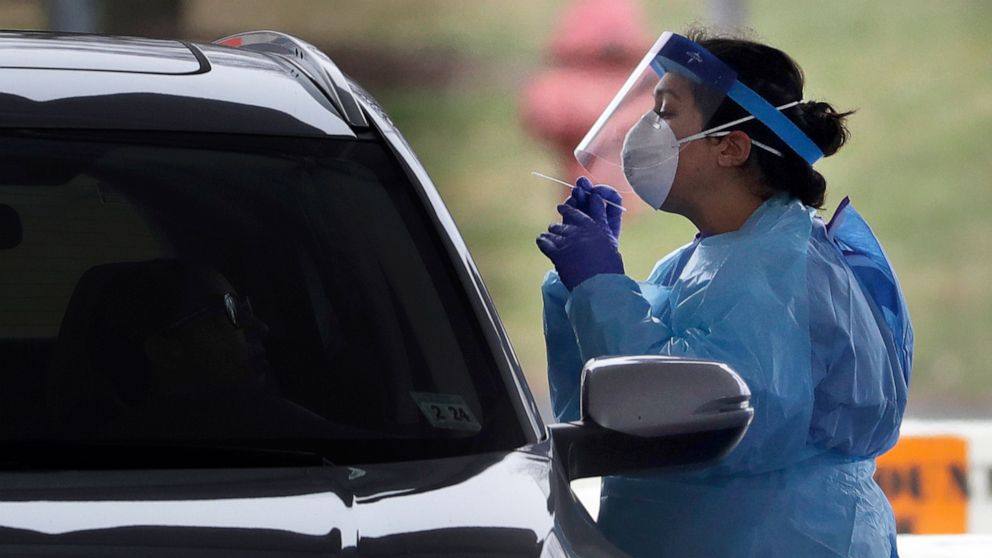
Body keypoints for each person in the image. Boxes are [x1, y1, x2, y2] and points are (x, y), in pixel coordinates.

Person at [536, 29, 912, 558]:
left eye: (666, 112)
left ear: (731, 147)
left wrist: (599, 285)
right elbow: (603, 411)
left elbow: (689, 417)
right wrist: (575, 286)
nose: (642, 129)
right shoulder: (705, 260)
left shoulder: (781, 268)